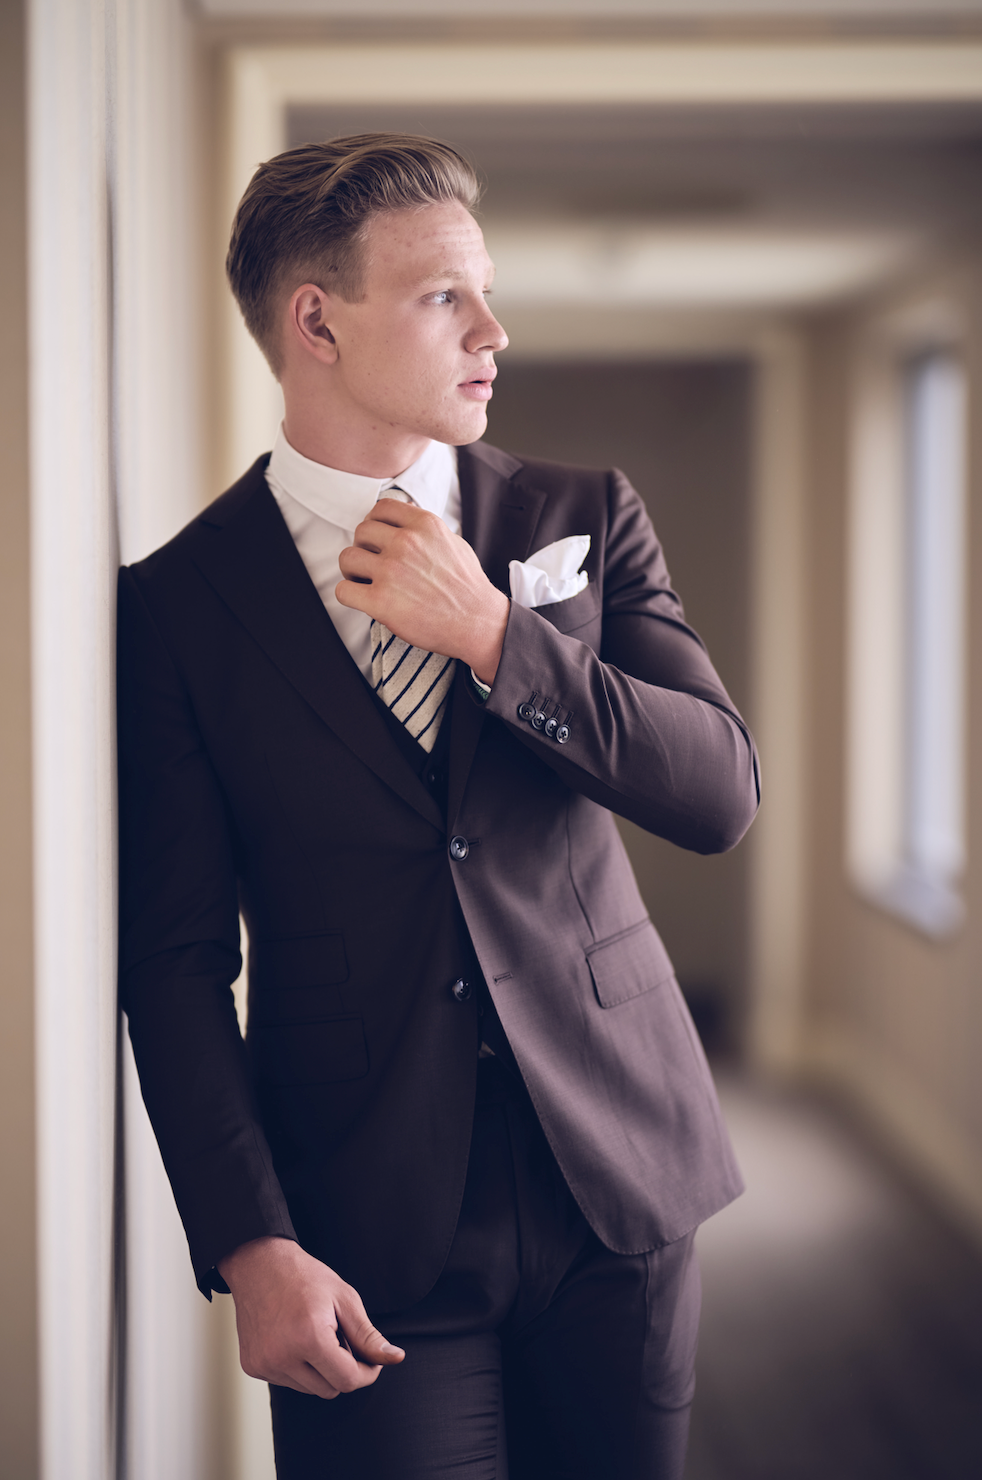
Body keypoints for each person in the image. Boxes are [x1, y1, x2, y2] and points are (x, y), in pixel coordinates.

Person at [117, 133, 759, 1480]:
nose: (495, 331)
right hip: (364, 1223)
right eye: (443, 297)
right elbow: (174, 960)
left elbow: (715, 792)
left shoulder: (581, 515)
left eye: (488, 291)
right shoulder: (178, 606)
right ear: (317, 323)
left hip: (619, 1183)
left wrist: (496, 639)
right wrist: (250, 1244)